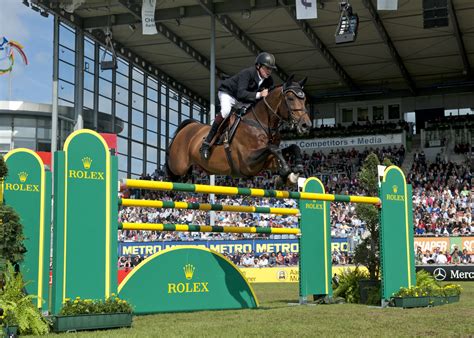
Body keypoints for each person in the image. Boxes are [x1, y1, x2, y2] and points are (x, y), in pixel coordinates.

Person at [200, 52, 277, 160]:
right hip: (229, 94)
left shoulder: (269, 80)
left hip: (244, 100)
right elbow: (241, 93)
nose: (269, 71)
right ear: (258, 66)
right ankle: (206, 143)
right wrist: (259, 94)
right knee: (226, 111)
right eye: (267, 68)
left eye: (271, 69)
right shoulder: (248, 73)